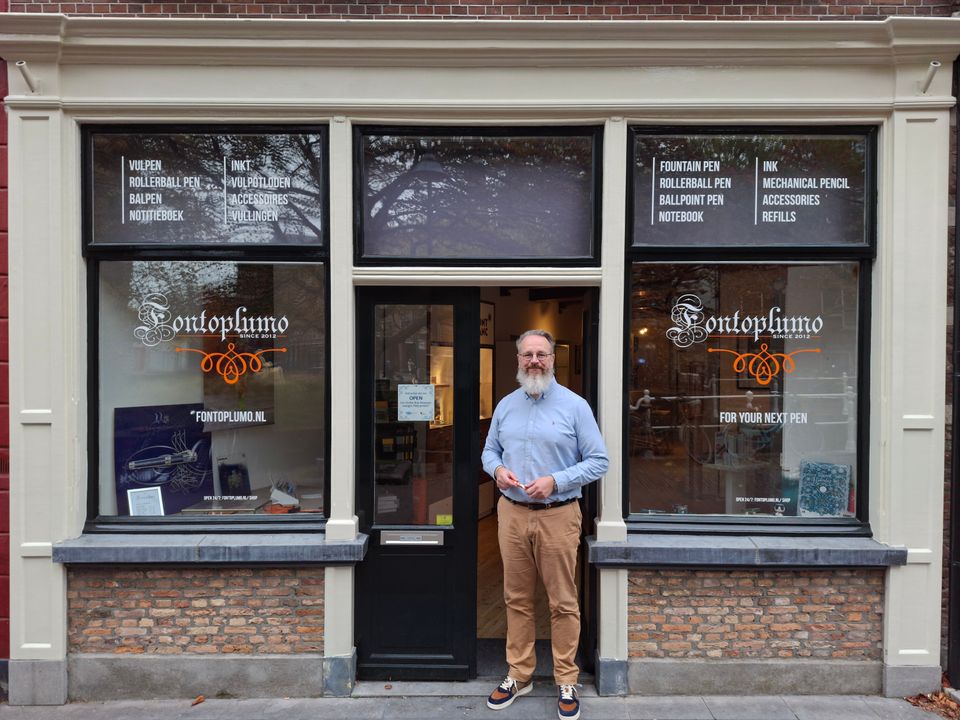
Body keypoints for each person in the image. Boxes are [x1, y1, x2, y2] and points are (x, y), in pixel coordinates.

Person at [482, 329, 608, 720]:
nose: (534, 361)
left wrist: (557, 480)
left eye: (541, 354)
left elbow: (599, 460)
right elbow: (489, 451)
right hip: (512, 513)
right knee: (516, 598)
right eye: (528, 354)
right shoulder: (505, 406)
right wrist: (497, 470)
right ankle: (519, 675)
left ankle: (566, 678)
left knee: (563, 602)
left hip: (559, 513)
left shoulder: (575, 406)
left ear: (553, 359)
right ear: (518, 359)